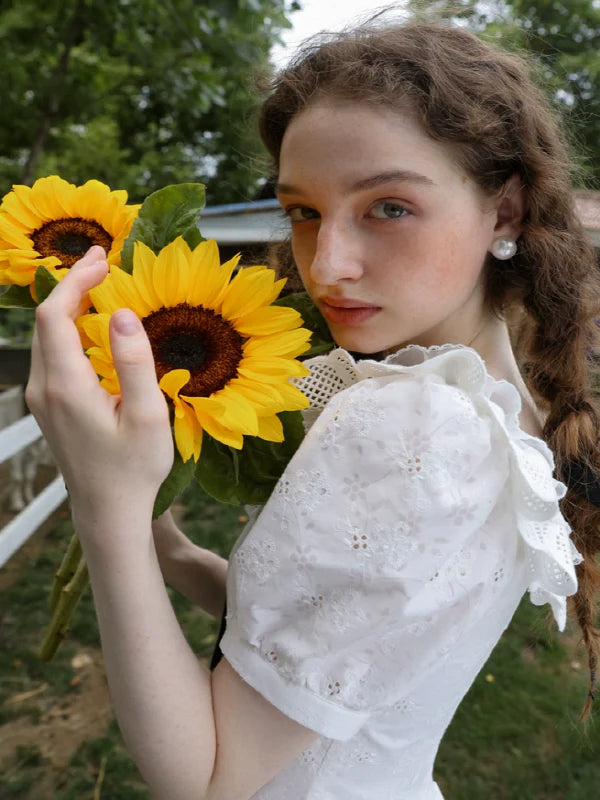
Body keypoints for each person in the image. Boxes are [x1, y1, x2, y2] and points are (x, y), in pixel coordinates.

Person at [25, 17, 600, 800]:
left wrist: (108, 508)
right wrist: (174, 552)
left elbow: (205, 781)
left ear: (504, 211)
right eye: (302, 211)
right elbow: (328, 633)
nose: (326, 266)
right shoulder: (498, 411)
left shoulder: (414, 429)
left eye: (388, 207)